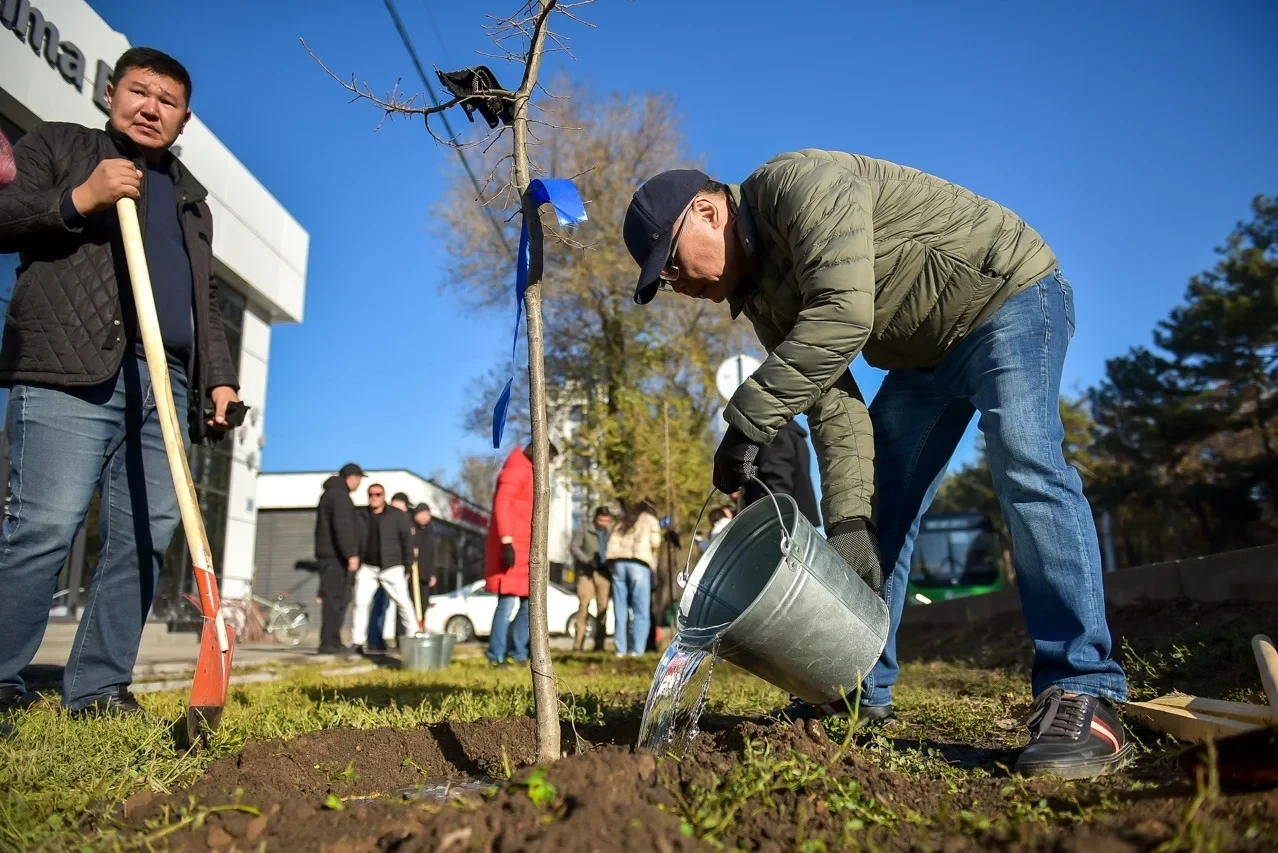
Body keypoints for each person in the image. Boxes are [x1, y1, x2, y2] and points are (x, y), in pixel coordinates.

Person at [623, 151, 1131, 779]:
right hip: (923, 356)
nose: (674, 282)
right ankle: (856, 691)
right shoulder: (761, 297)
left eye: (671, 261)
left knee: (1026, 462)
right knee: (875, 510)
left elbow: (843, 316)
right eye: (662, 279)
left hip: (1006, 298)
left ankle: (1084, 688)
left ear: (706, 211)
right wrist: (847, 522)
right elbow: (831, 405)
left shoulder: (798, 186)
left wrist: (748, 419)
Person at [0, 47, 243, 727]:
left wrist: (219, 380)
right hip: (69, 363)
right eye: (140, 92)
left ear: (184, 119)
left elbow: (203, 298)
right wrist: (80, 199)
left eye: (168, 101)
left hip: (167, 380)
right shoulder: (61, 145)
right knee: (45, 526)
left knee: (145, 536)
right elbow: (5, 217)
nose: (151, 108)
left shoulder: (191, 199)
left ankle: (100, 688)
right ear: (111, 94)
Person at [485, 441, 558, 666]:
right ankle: (496, 656)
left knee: (529, 605)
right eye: (549, 460)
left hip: (528, 549)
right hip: (514, 549)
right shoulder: (516, 470)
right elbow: (502, 504)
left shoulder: (528, 471)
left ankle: (518, 653)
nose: (549, 465)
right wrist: (507, 542)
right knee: (506, 603)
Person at [350, 484, 418, 655]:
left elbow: (407, 540)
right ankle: (358, 642)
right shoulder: (361, 515)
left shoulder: (397, 515)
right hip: (368, 567)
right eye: (371, 494)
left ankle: (414, 636)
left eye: (378, 494)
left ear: (384, 496)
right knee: (360, 604)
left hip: (392, 566)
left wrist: (407, 565)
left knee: (404, 602)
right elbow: (355, 539)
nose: (374, 497)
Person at [315, 463, 366, 655]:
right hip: (335, 557)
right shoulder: (339, 496)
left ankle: (333, 641)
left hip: (332, 556)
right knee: (334, 599)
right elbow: (342, 527)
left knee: (338, 598)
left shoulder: (333, 494)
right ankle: (329, 643)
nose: (359, 483)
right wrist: (351, 554)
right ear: (352, 478)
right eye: (359, 479)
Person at [604, 500, 663, 657]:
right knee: (640, 611)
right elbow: (655, 543)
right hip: (639, 563)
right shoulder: (650, 520)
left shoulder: (623, 520)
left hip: (618, 564)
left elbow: (612, 541)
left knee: (620, 610)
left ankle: (620, 650)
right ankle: (637, 650)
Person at [743, 419, 821, 529]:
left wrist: (768, 522)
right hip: (793, 522)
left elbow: (778, 482)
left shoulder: (775, 433)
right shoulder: (786, 432)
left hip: (780, 524)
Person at [368, 491, 413, 649]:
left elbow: (408, 544)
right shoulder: (383, 519)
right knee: (379, 603)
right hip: (382, 567)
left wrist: (407, 565)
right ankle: (374, 640)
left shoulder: (405, 522)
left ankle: (408, 638)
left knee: (403, 603)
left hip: (396, 568)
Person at [569, 506, 612, 652]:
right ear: (595, 518)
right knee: (583, 606)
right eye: (601, 520)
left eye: (606, 521)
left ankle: (599, 645)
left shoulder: (609, 532)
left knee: (603, 608)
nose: (603, 523)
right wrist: (587, 560)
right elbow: (574, 547)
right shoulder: (584, 529)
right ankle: (578, 644)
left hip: (603, 573)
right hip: (586, 573)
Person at [411, 503, 437, 614]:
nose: (425, 517)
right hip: (412, 575)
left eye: (427, 515)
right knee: (410, 605)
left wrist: (432, 574)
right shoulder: (410, 529)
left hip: (425, 576)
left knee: (423, 605)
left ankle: (421, 623)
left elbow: (432, 555)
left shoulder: (430, 531)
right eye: (422, 514)